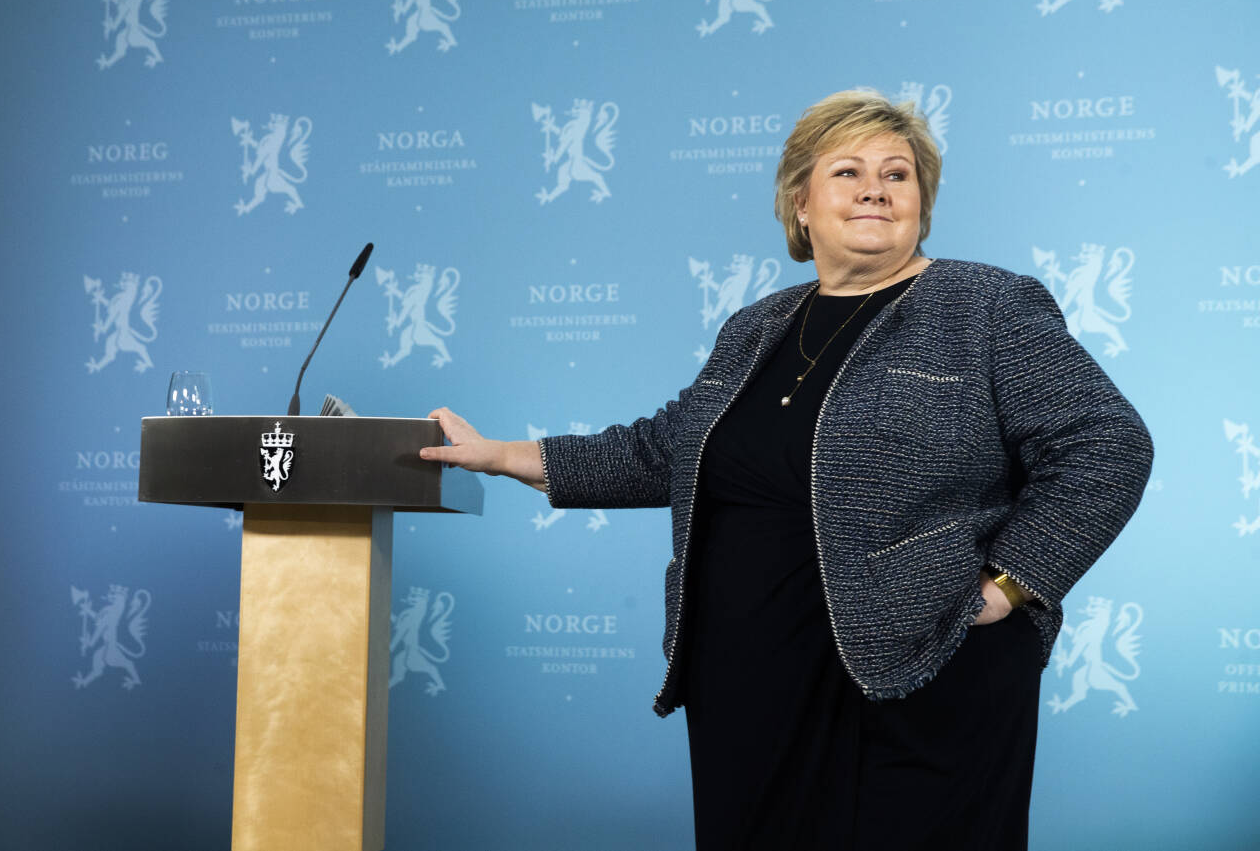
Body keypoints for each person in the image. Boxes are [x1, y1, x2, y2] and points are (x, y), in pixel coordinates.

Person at [419, 88, 1153, 850]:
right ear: (800, 203)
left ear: (921, 204)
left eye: (897, 174)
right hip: (750, 682)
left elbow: (1109, 443)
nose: (875, 187)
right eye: (848, 171)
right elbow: (664, 450)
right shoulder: (757, 327)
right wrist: (501, 455)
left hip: (917, 673)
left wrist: (1009, 585)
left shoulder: (986, 305)